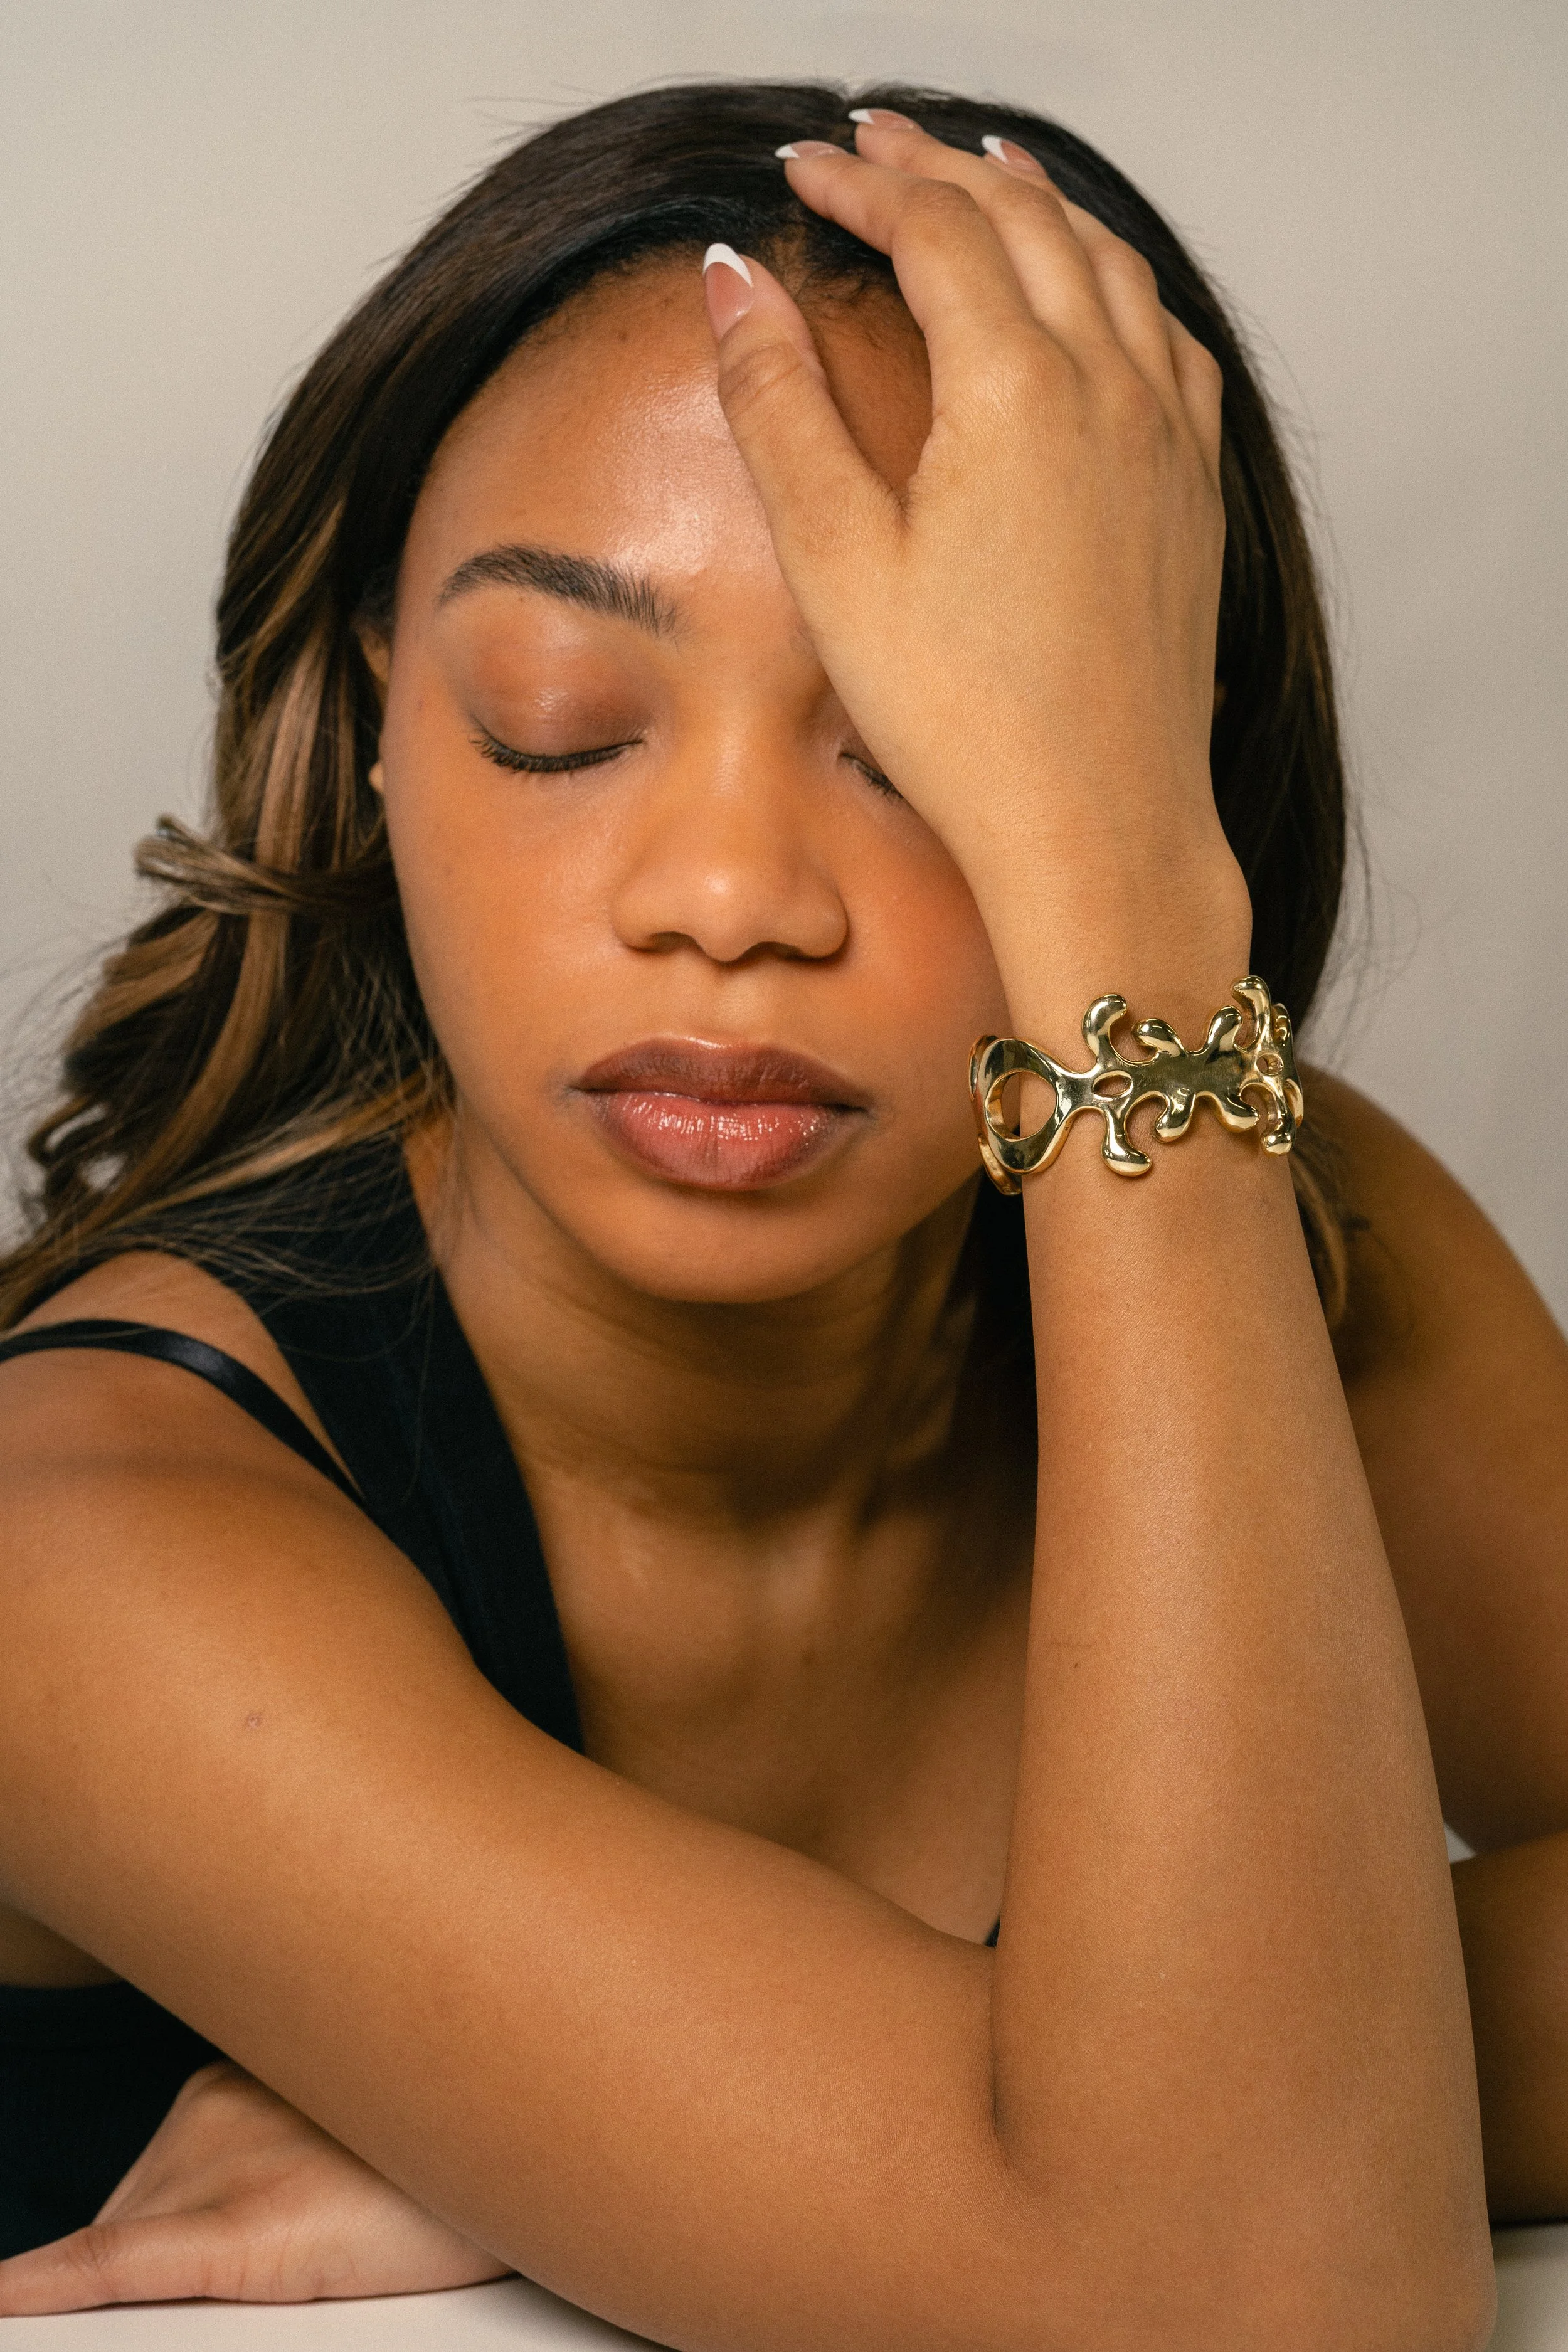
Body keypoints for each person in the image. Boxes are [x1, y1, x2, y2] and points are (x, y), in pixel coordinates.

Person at [4, 73, 1559, 2346]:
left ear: (1137, 777)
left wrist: (677, 2128)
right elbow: (1262, 2296)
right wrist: (1034, 2123)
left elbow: (1215, 2216)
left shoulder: (1293, 1228)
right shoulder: (76, 1552)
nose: (728, 901)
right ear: (361, 733)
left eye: (932, 747)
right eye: (557, 721)